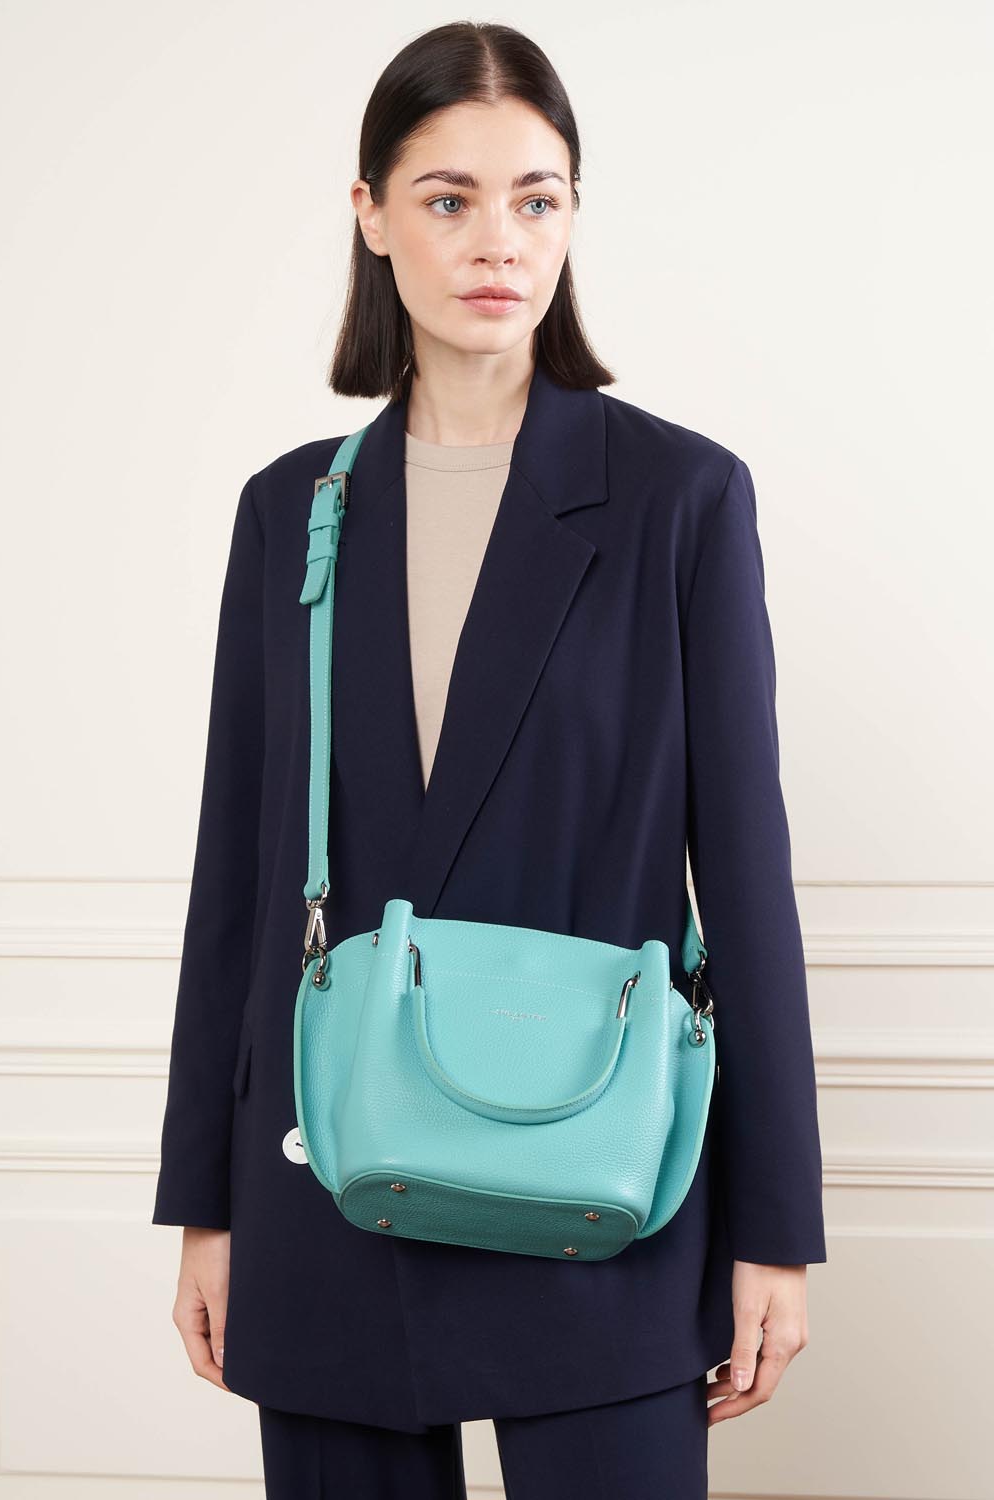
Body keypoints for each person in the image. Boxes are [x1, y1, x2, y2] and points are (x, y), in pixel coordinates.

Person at [153, 20, 827, 1499]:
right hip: (330, 1183)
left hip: (603, 1179)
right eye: (448, 197)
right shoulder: (293, 512)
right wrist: (205, 1202)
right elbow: (239, 881)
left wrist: (775, 1227)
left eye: (537, 198)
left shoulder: (679, 500)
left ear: (574, 216)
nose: (497, 241)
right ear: (371, 214)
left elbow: (748, 880)